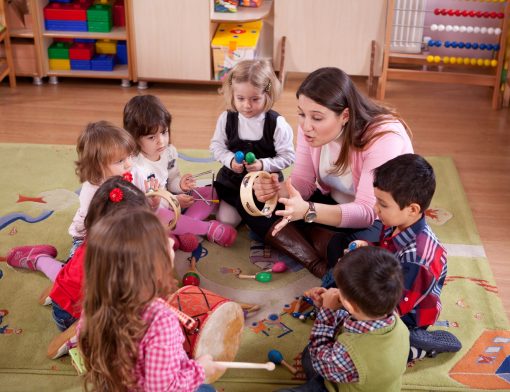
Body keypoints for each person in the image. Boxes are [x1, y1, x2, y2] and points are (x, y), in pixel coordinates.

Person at [250, 67, 413, 278]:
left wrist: (307, 211)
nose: (306, 125)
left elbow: (366, 212)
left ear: (345, 115)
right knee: (257, 204)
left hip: (378, 218)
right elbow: (303, 182)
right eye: (301, 114)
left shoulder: (384, 138)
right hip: (331, 205)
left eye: (317, 118)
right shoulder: (309, 128)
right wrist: (276, 191)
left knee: (356, 254)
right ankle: (318, 262)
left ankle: (319, 245)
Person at [78, 208, 224, 391]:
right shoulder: (161, 320)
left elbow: (85, 344)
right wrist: (200, 370)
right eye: (163, 241)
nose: (171, 240)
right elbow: (163, 389)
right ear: (149, 266)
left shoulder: (94, 303)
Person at [342, 154, 462, 361]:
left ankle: (419, 344)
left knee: (368, 355)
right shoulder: (395, 224)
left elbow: (392, 311)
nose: (375, 209)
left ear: (412, 209)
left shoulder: (418, 260)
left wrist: (349, 305)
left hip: (408, 314)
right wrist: (367, 248)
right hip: (391, 285)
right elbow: (385, 250)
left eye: (383, 204)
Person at [6, 177, 151, 336]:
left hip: (73, 285)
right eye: (137, 225)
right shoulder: (106, 262)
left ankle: (39, 259)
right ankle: (39, 260)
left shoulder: (105, 234)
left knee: (65, 274)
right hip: (69, 315)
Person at [278, 246, 409, 392]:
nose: (336, 291)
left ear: (349, 305)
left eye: (340, 290)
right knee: (309, 353)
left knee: (312, 355)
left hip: (342, 382)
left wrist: (327, 312)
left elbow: (319, 361)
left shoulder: (351, 352)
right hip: (371, 377)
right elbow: (355, 321)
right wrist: (326, 307)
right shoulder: (392, 315)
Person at [123, 94, 237, 251]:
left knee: (211, 192)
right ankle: (205, 228)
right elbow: (144, 203)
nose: (161, 141)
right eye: (151, 137)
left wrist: (181, 185)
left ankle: (182, 227)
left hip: (172, 205)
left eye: (164, 132)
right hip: (153, 210)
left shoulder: (169, 152)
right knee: (157, 214)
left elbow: (172, 180)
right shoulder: (134, 165)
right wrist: (174, 201)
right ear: (134, 138)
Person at [209, 59, 295, 228]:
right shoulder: (226, 119)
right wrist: (230, 161)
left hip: (264, 187)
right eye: (240, 98)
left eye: (255, 99)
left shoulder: (277, 124)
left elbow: (288, 156)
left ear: (267, 94)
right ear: (232, 94)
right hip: (232, 184)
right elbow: (216, 147)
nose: (247, 105)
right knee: (227, 222)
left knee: (264, 222)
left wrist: (263, 164)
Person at [68, 120, 136, 257]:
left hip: (114, 226)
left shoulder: (122, 173)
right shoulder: (91, 192)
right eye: (120, 161)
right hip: (89, 234)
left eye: (130, 156)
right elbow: (87, 223)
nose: (129, 164)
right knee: (81, 270)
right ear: (98, 165)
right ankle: (39, 259)